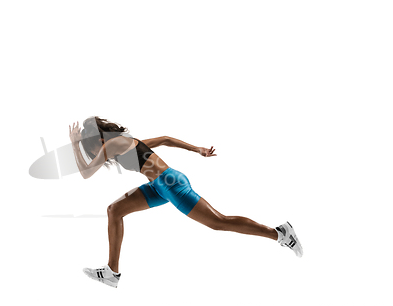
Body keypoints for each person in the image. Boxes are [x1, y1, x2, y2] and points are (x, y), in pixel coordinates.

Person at [69, 116, 303, 288]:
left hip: (169, 183)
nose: (92, 149)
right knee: (115, 210)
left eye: (89, 144)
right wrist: (197, 149)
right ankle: (112, 272)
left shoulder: (111, 144)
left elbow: (86, 173)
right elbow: (166, 139)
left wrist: (73, 143)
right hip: (160, 185)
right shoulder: (123, 142)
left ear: (97, 138)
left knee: (218, 222)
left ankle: (280, 233)